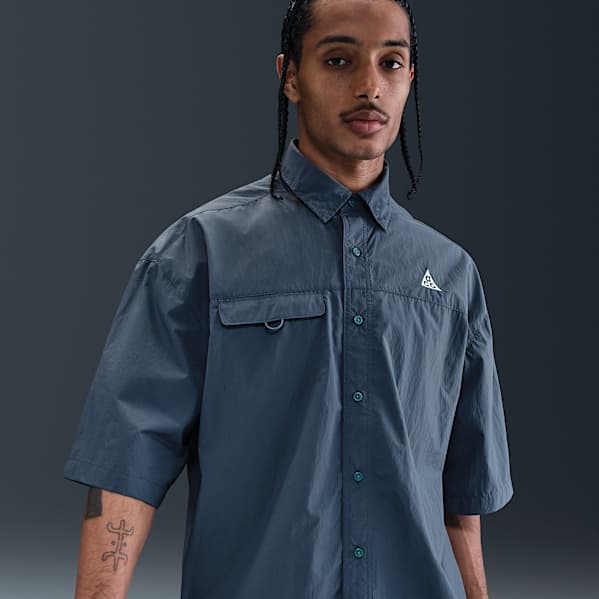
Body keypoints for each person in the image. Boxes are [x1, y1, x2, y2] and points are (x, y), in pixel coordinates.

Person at [63, 1, 514, 598]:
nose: (369, 86)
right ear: (291, 76)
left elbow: (461, 500)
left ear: (410, 78)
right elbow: (126, 463)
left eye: (390, 62)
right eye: (339, 60)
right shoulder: (198, 253)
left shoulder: (452, 277)